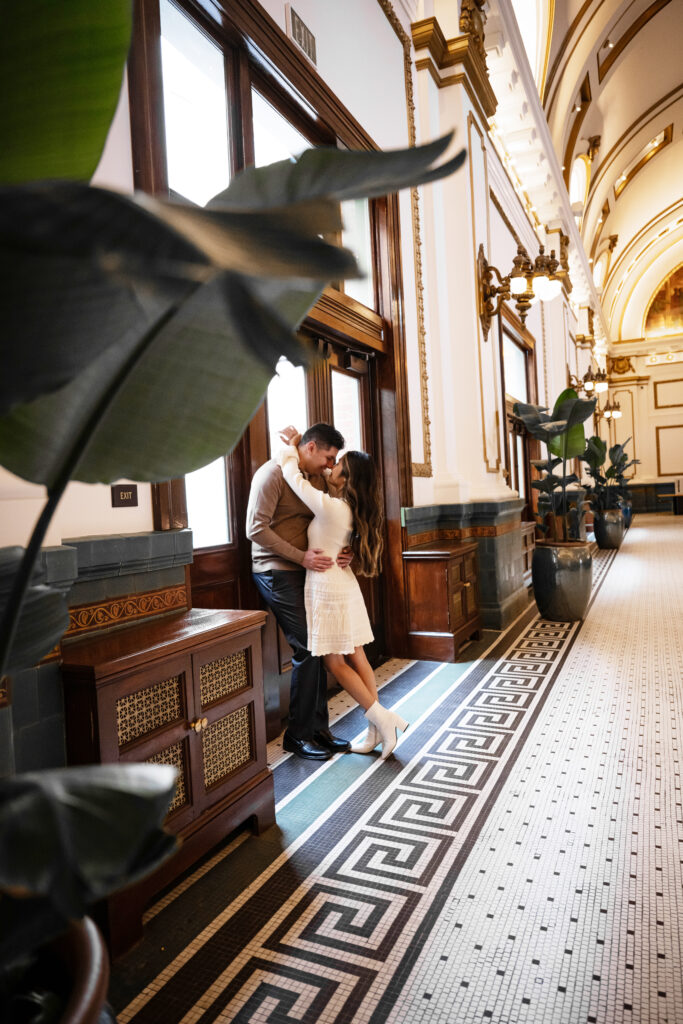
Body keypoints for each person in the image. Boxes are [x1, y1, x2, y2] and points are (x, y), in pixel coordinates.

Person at [276, 426, 408, 760]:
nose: (329, 468)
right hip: (342, 582)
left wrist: (294, 446)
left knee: (335, 662)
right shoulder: (347, 506)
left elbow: (292, 475)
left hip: (329, 587)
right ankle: (377, 728)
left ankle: (382, 719)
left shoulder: (333, 508)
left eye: (336, 466)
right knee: (357, 655)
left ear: (346, 478)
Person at [246, 422, 352, 761]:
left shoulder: (314, 477)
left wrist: (343, 550)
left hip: (307, 571)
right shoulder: (272, 475)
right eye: (327, 457)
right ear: (309, 448)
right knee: (307, 646)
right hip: (275, 571)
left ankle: (318, 729)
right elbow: (255, 528)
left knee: (318, 645)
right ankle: (297, 735)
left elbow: (329, 515)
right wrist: (299, 556)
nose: (331, 465)